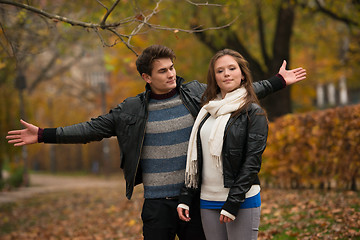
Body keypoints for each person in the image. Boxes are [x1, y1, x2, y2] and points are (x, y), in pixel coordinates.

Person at [6, 45, 306, 240]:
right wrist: (44, 134)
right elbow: (91, 128)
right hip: (157, 204)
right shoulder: (131, 110)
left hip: (194, 199)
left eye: (172, 68)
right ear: (146, 77)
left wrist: (278, 82)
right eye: (163, 71)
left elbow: (237, 93)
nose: (171, 74)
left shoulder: (197, 94)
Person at [177, 49, 271, 240]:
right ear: (214, 78)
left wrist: (232, 203)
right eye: (220, 71)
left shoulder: (253, 112)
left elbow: (252, 162)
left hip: (241, 199)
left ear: (242, 74)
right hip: (207, 199)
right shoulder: (207, 111)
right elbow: (197, 156)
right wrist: (186, 197)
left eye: (231, 68)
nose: (226, 73)